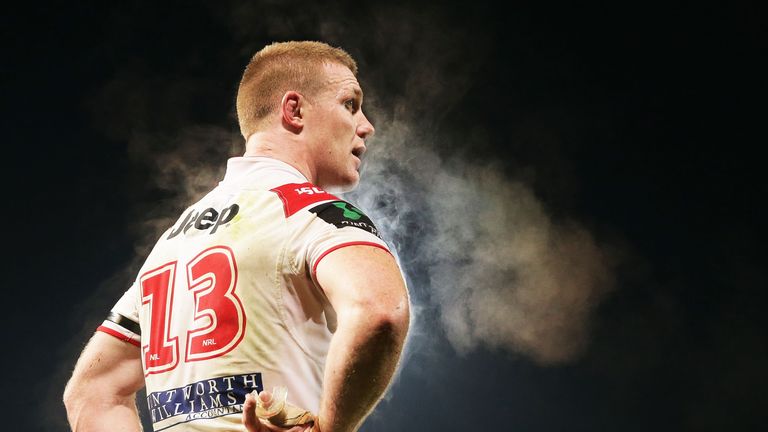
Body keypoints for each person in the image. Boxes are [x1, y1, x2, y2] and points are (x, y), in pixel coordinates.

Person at [63, 41, 410, 432]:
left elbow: (91, 392)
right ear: (294, 110)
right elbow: (381, 310)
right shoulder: (313, 212)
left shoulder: (171, 244)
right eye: (350, 103)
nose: (366, 125)